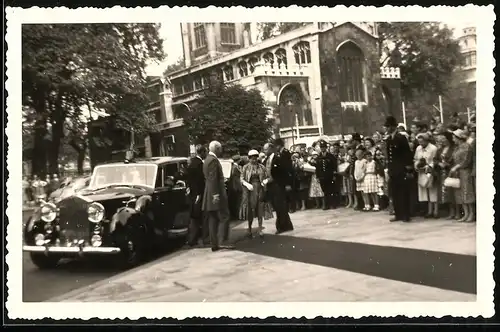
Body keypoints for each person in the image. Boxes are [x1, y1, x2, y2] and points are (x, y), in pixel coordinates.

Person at [202, 141, 233, 252]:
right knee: (224, 216)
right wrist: (216, 195)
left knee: (213, 219)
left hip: (210, 194)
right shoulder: (213, 160)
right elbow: (213, 179)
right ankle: (223, 241)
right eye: (220, 148)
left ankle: (214, 243)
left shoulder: (207, 159)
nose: (221, 150)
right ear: (216, 148)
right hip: (215, 194)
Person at [385, 116, 414, 222]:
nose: (387, 129)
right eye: (386, 127)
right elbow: (389, 156)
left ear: (394, 127)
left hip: (401, 169)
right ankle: (398, 214)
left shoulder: (401, 138)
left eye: (389, 126)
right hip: (393, 169)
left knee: (403, 193)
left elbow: (407, 154)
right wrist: (389, 169)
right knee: (395, 192)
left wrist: (408, 168)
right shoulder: (388, 139)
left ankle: (405, 215)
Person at [263, 139, 294, 234]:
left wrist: (287, 184)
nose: (264, 152)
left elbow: (285, 172)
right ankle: (287, 225)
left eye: (266, 149)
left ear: (271, 149)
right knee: (278, 206)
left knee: (280, 206)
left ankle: (281, 226)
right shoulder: (267, 160)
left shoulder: (278, 158)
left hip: (279, 185)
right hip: (271, 185)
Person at [240, 149, 272, 238]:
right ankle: (249, 228)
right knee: (250, 209)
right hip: (250, 190)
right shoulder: (245, 167)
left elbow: (269, 177)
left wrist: (265, 181)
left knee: (260, 208)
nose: (254, 160)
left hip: (260, 188)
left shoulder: (262, 167)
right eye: (252, 158)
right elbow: (241, 178)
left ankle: (260, 228)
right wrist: (246, 184)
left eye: (255, 158)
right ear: (249, 158)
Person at [450, 129, 475, 222]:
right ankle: (465, 213)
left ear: (459, 138)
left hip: (465, 171)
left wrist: (456, 167)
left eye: (454, 137)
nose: (453, 139)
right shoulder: (457, 147)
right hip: (458, 172)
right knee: (460, 193)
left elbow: (466, 160)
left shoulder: (466, 146)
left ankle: (471, 213)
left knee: (467, 191)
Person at [186, 144, 208, 247]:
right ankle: (201, 239)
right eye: (205, 152)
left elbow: (189, 179)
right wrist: (199, 194)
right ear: (202, 152)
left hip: (192, 194)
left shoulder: (191, 163)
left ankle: (192, 239)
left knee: (194, 217)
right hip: (199, 194)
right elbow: (200, 181)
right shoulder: (199, 164)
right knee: (201, 217)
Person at [414, 132, 439, 218]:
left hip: (430, 171)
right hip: (422, 172)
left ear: (426, 140)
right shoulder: (418, 148)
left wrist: (429, 166)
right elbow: (416, 159)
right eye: (419, 142)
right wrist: (417, 165)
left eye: (422, 142)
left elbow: (435, 160)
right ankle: (429, 211)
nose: (421, 144)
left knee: (432, 190)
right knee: (425, 191)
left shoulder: (433, 148)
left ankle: (436, 211)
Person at [434, 131, 457, 219]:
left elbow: (455, 159)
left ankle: (456, 212)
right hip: (442, 173)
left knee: (452, 193)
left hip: (450, 172)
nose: (442, 140)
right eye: (441, 138)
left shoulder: (453, 148)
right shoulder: (439, 149)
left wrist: (448, 164)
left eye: (443, 138)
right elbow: (435, 159)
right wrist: (439, 163)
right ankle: (450, 212)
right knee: (445, 193)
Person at [316, 140, 337, 210]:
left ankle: (333, 204)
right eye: (321, 147)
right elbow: (317, 168)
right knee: (324, 191)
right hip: (322, 176)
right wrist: (318, 177)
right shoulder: (319, 157)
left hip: (329, 176)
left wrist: (334, 175)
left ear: (326, 148)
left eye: (324, 147)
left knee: (331, 190)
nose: (322, 148)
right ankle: (326, 205)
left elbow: (334, 166)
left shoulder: (330, 156)